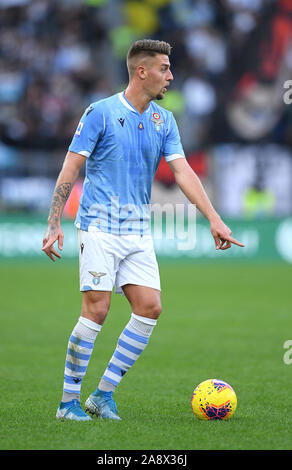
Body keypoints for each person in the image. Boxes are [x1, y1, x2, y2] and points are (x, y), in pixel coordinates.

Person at [42, 39, 244, 421]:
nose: (170, 76)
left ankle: (102, 396)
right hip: (100, 227)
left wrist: (214, 218)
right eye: (164, 68)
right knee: (96, 311)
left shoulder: (163, 120)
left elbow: (183, 171)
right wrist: (54, 221)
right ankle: (67, 403)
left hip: (137, 231)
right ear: (142, 71)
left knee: (150, 308)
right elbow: (70, 168)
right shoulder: (99, 113)